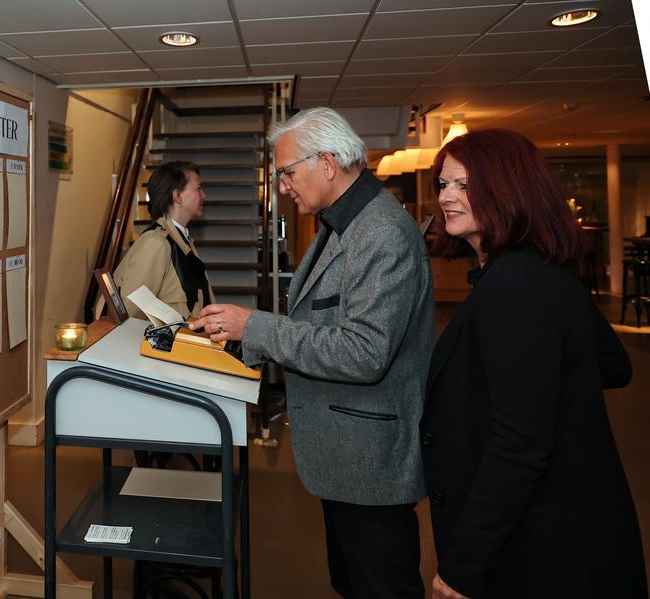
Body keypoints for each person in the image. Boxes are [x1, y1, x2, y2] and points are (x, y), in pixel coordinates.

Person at [191, 107, 435, 599]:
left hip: (370, 462)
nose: (283, 187)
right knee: (352, 583)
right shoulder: (341, 224)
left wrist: (254, 326)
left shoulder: (381, 233)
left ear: (326, 162)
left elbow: (364, 352)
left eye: (286, 173)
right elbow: (316, 325)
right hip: (343, 453)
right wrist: (243, 338)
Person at [422, 128, 647, 599]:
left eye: (463, 185)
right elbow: (611, 364)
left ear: (507, 188)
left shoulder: (514, 285)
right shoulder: (538, 271)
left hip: (539, 541)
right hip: (568, 522)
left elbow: (520, 442)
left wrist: (462, 565)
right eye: (443, 184)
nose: (446, 196)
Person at [113, 160, 213, 321]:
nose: (204, 195)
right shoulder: (156, 243)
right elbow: (130, 313)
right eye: (198, 189)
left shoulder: (181, 240)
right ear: (177, 196)